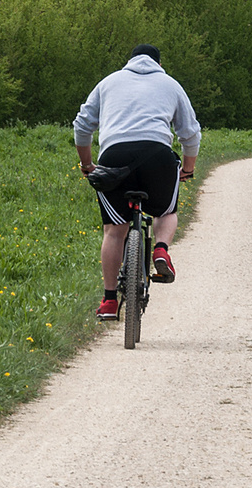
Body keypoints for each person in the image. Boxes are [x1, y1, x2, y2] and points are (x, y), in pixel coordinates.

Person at [74, 44, 201, 322]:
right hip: (158, 155)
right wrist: (188, 169)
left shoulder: (109, 82)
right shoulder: (170, 84)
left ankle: (109, 301)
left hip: (114, 156)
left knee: (113, 230)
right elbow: (190, 132)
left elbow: (82, 126)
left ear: (128, 60)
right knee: (166, 211)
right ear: (159, 63)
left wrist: (87, 165)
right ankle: (161, 249)